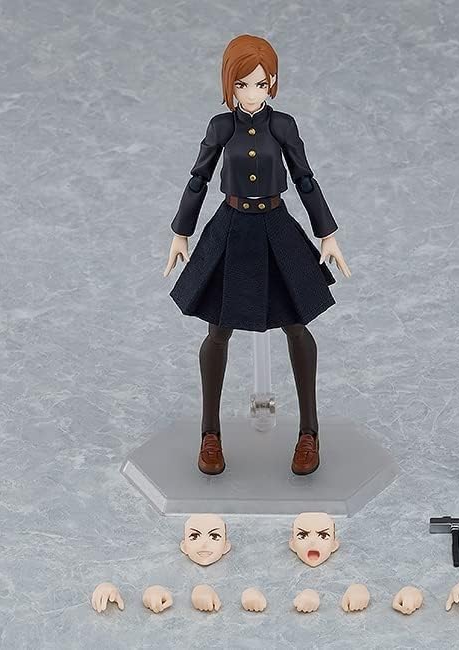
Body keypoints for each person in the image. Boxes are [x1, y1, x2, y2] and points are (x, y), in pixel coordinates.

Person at [163, 35, 351, 476]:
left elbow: (304, 178)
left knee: (296, 325)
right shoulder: (220, 127)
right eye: (242, 84)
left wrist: (327, 233)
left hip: (275, 227)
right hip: (230, 228)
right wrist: (180, 232)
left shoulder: (282, 125)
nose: (252, 93)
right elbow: (198, 179)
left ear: (273, 83)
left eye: (261, 84)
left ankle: (309, 432)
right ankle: (210, 434)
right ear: (229, 84)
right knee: (218, 330)